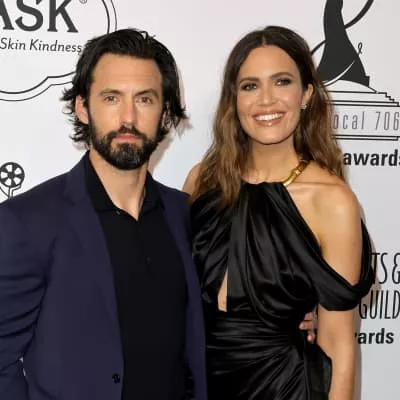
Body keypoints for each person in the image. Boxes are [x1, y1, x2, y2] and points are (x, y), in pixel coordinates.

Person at [0, 28, 207, 400]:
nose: (128, 117)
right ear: (83, 107)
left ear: (165, 113)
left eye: (145, 99)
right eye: (112, 98)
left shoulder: (185, 214)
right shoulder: (27, 222)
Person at [183, 26, 374, 400]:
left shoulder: (332, 201)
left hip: (284, 387)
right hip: (199, 383)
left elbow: (339, 343)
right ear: (234, 99)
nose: (266, 100)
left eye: (282, 82)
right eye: (250, 86)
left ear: (306, 94)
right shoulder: (202, 182)